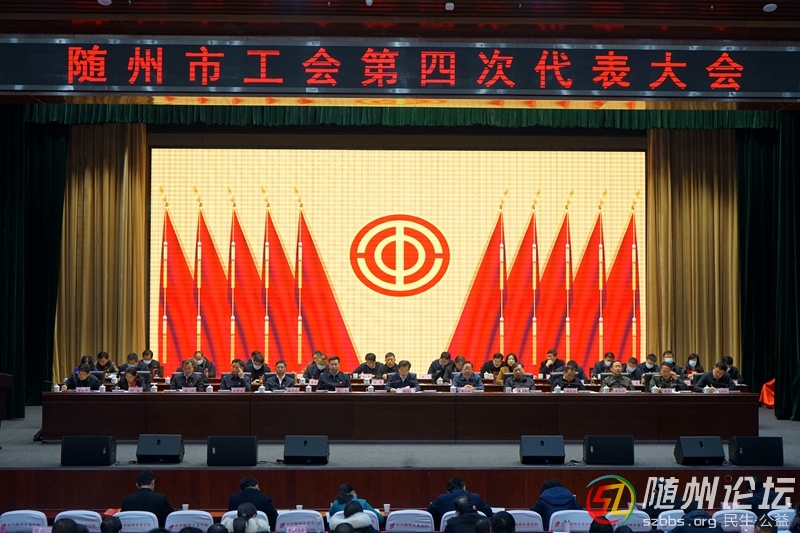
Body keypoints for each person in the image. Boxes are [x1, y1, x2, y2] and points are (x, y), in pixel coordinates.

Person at [427, 477, 492, 527]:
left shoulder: (442, 498)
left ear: (447, 490)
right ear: (464, 487)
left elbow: (430, 511)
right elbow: (489, 513)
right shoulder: (476, 498)